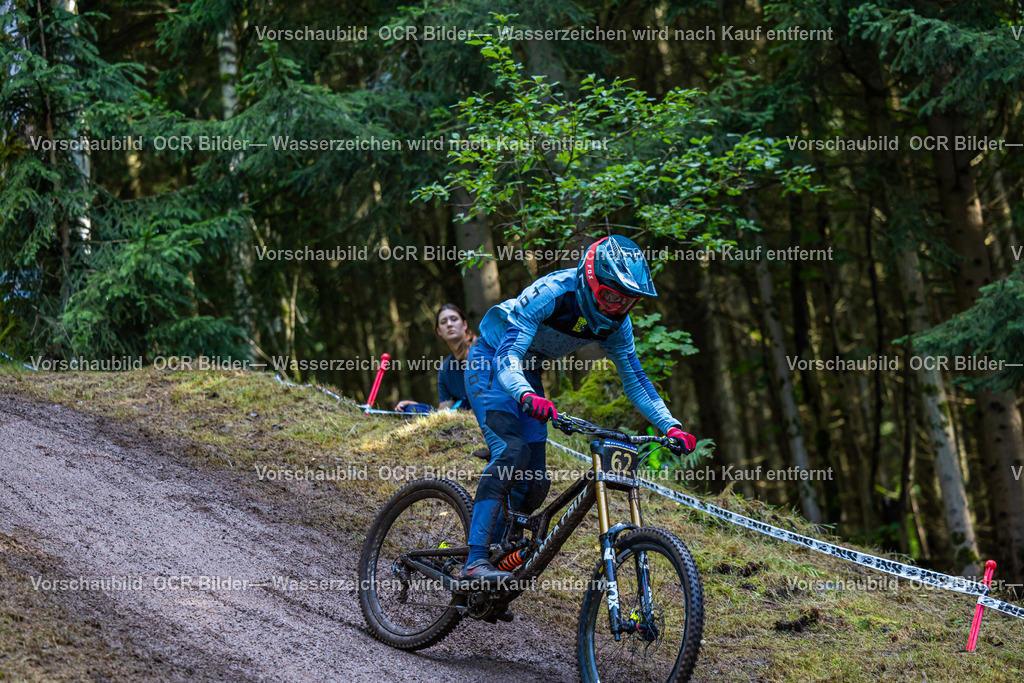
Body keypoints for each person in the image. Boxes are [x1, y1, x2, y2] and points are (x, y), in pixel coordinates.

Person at [460, 235, 697, 583]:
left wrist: (670, 426)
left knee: (536, 485)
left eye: (628, 301)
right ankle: (474, 560)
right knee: (511, 452)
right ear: (590, 281)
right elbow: (508, 355)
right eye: (611, 296)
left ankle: (498, 554)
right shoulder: (551, 293)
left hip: (528, 372)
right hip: (492, 361)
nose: (617, 307)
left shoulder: (618, 325)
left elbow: (636, 380)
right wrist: (526, 394)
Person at [394, 304, 476, 413]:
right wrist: (416, 406)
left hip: (483, 407)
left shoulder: (481, 350)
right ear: (439, 331)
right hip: (460, 412)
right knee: (409, 410)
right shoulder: (445, 369)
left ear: (464, 324)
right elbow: (444, 411)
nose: (449, 324)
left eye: (454, 319)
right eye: (443, 322)